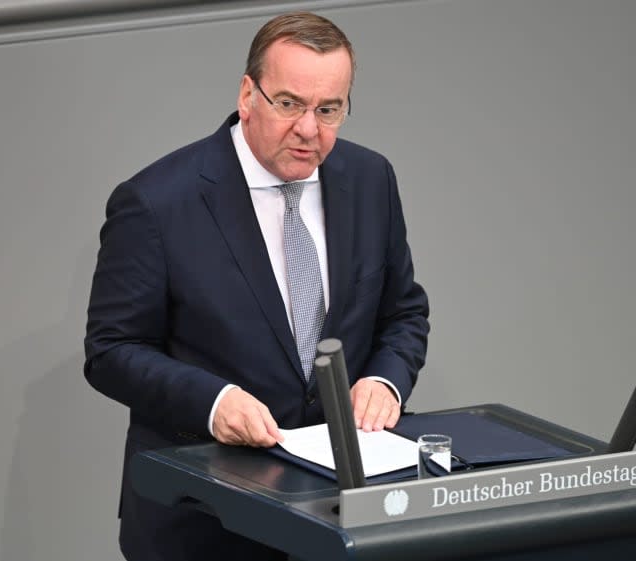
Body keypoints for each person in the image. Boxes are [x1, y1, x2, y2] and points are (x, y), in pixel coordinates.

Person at [84, 11, 429, 561]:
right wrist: (213, 402)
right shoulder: (157, 202)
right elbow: (111, 351)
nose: (309, 129)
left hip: (345, 522)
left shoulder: (370, 179)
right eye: (289, 104)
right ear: (249, 94)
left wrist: (386, 383)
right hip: (206, 524)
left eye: (329, 109)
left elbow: (403, 314)